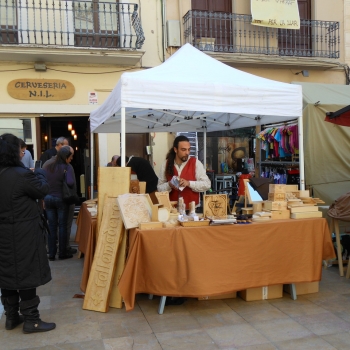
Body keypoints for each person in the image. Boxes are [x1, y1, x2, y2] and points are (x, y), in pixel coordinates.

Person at [0, 133, 56, 333]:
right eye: (20, 149)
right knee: (26, 274)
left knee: (6, 274)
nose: (22, 152)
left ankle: (12, 317)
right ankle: (32, 320)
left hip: (3, 233)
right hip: (23, 233)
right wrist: (39, 171)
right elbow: (42, 189)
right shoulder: (22, 174)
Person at [157, 135, 211, 209]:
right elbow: (159, 188)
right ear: (175, 150)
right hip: (172, 210)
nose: (187, 153)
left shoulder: (196, 163)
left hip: (191, 210)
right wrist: (169, 185)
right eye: (183, 150)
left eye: (189, 149)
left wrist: (189, 183)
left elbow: (207, 184)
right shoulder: (165, 164)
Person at [43, 145, 78, 255]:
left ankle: (52, 253)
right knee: (62, 225)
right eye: (70, 157)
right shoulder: (66, 167)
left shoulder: (48, 166)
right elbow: (70, 182)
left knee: (52, 226)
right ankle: (63, 252)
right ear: (66, 157)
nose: (71, 159)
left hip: (48, 198)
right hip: (61, 199)